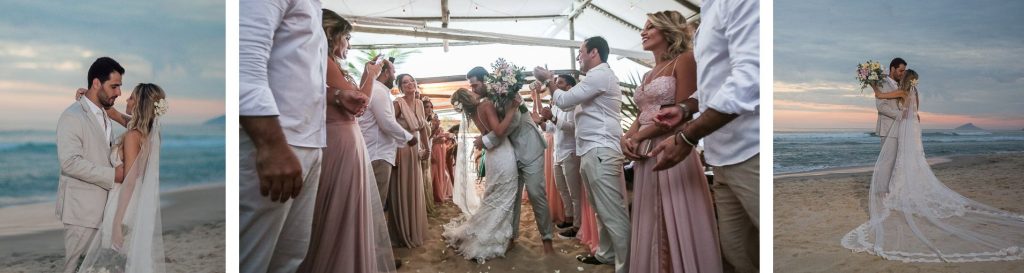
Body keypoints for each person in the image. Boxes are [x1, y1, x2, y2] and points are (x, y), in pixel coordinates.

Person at [842, 70, 1024, 262]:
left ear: (905, 79)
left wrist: (871, 82)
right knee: (913, 158)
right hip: (914, 127)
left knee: (904, 158)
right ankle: (906, 187)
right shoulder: (915, 93)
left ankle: (901, 191)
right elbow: (916, 113)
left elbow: (879, 95)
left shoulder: (903, 93)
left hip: (905, 126)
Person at [648, 0, 760, 271]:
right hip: (719, 156)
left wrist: (688, 137)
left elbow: (750, 80)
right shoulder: (708, 10)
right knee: (737, 253)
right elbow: (714, 85)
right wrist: (685, 107)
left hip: (751, 151)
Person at [621, 10, 721, 272]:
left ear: (667, 31)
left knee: (671, 217)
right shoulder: (647, 74)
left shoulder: (684, 61)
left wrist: (640, 136)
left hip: (672, 146)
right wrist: (628, 137)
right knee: (649, 217)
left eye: (650, 27)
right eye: (643, 28)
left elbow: (683, 112)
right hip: (644, 152)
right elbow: (644, 115)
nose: (643, 32)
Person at [297, 10, 397, 272]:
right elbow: (359, 104)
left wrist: (366, 76)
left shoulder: (329, 64)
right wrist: (371, 76)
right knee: (342, 212)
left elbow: (353, 100)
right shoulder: (324, 63)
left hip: (344, 139)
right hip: (339, 140)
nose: (349, 45)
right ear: (332, 36)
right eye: (347, 38)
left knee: (345, 210)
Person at [534, 36, 631, 273]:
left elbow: (564, 99)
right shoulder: (593, 78)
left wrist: (549, 80)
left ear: (594, 53)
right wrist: (548, 88)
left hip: (600, 149)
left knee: (611, 210)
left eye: (581, 52)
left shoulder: (600, 74)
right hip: (590, 149)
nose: (578, 56)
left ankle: (627, 265)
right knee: (600, 207)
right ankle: (607, 254)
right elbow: (566, 105)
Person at [77, 83, 168, 273]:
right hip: (137, 201)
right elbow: (116, 114)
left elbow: (129, 181)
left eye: (132, 98)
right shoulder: (151, 133)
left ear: (140, 104)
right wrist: (90, 98)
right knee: (125, 260)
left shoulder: (133, 136)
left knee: (114, 260)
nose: (126, 99)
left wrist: (117, 221)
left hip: (123, 202)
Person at [471, 66, 556, 254]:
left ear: (486, 81)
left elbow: (515, 120)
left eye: (475, 85)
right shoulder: (488, 102)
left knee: (535, 193)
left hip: (530, 148)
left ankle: (547, 240)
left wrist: (486, 140)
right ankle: (511, 236)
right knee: (512, 197)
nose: (473, 89)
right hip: (510, 154)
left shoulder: (508, 92)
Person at [57, 57, 126, 273]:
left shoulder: (104, 114)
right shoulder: (72, 116)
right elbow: (70, 163)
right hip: (82, 211)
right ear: (96, 83)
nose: (119, 93)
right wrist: (113, 175)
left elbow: (143, 128)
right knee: (75, 268)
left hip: (105, 210)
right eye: (114, 86)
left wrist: (112, 113)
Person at [442, 88, 523, 263]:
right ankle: (499, 237)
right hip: (502, 154)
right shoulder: (485, 105)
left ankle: (494, 231)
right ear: (469, 96)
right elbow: (499, 131)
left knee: (494, 196)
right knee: (505, 197)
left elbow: (487, 133)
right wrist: (512, 109)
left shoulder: (473, 112)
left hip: (493, 156)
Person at [536, 74, 584, 238]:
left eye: (560, 83)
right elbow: (549, 129)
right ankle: (569, 219)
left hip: (571, 152)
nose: (555, 86)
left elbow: (573, 128)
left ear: (569, 87)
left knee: (574, 193)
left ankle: (578, 226)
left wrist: (553, 118)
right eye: (554, 83)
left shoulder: (575, 105)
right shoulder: (556, 106)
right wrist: (540, 121)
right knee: (562, 190)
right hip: (558, 153)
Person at [388, 73, 430, 248]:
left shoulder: (420, 103)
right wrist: (394, 151)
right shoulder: (397, 103)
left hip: (415, 150)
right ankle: (401, 232)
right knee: (402, 189)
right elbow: (388, 126)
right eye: (405, 82)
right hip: (401, 149)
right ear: (400, 86)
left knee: (414, 188)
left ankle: (413, 229)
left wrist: (427, 148)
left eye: (412, 80)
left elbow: (422, 129)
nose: (410, 84)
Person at [870, 58, 907, 142]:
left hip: (902, 130)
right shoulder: (881, 83)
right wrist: (901, 115)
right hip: (888, 129)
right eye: (901, 71)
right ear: (893, 69)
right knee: (888, 156)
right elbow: (881, 107)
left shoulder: (902, 85)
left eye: (904, 71)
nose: (902, 74)